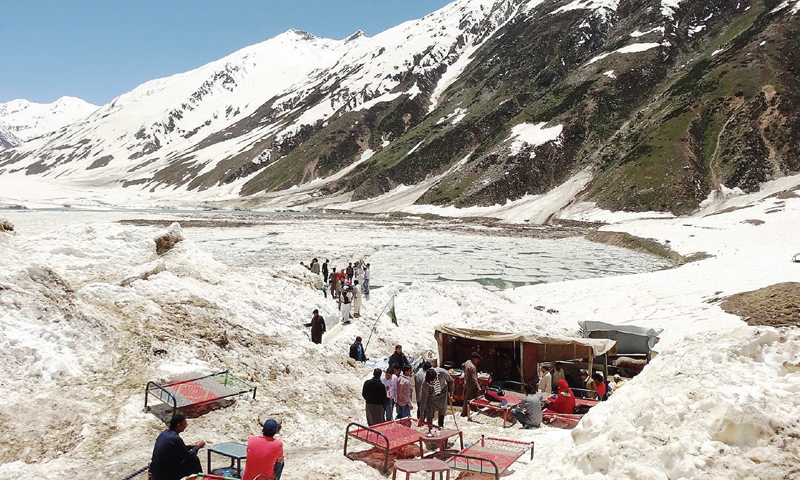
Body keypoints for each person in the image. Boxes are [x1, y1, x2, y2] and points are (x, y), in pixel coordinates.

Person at [149, 413, 204, 480]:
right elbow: (189, 457)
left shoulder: (164, 434)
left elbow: (179, 449)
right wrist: (198, 447)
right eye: (184, 423)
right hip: (164, 475)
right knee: (194, 460)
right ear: (178, 425)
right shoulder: (175, 438)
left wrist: (191, 446)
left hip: (155, 471)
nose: (186, 425)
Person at [461, 352, 481, 417]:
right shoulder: (472, 367)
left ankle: (474, 409)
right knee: (467, 399)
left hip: (466, 383)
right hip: (471, 386)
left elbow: (463, 365)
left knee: (473, 397)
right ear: (473, 359)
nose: (478, 361)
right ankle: (464, 413)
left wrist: (466, 372)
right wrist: (478, 387)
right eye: (477, 359)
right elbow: (474, 378)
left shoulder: (467, 362)